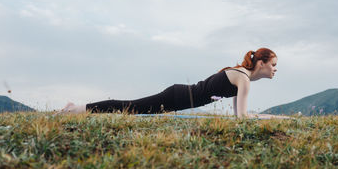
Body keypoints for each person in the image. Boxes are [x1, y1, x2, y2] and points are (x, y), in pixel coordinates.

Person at [58, 48, 290, 119]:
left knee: (130, 108)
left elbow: (238, 115)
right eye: (273, 65)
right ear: (260, 63)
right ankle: (75, 109)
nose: (275, 69)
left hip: (178, 95)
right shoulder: (243, 79)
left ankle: (76, 108)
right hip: (176, 97)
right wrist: (279, 118)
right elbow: (243, 118)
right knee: (129, 107)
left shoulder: (241, 76)